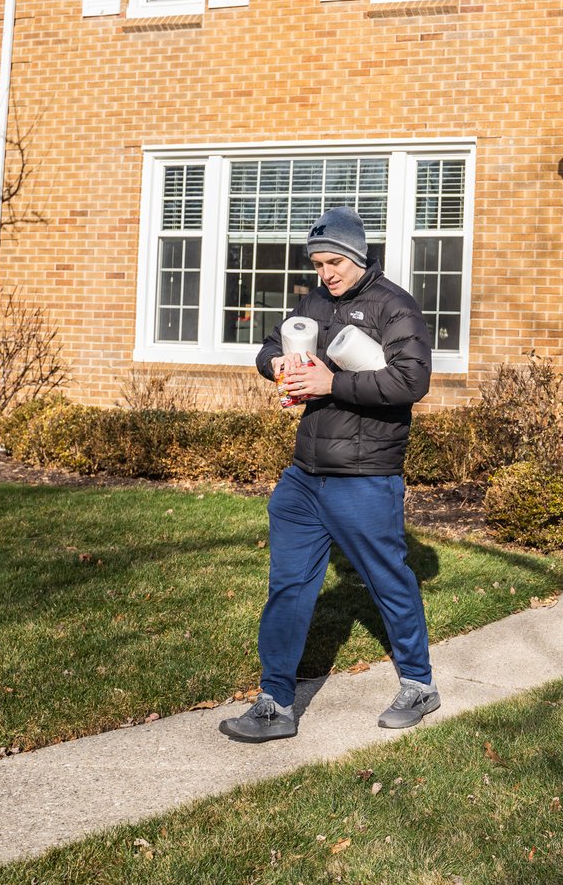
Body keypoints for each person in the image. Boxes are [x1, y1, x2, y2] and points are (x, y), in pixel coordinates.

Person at [219, 206, 439, 743]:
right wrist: (277, 364)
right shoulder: (315, 302)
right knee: (289, 584)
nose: (326, 273)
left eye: (335, 261)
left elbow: (412, 382)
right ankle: (275, 703)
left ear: (358, 256)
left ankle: (418, 683)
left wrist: (330, 386)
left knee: (387, 579)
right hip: (304, 475)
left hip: (364, 475)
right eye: (318, 263)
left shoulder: (395, 306)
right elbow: (273, 343)